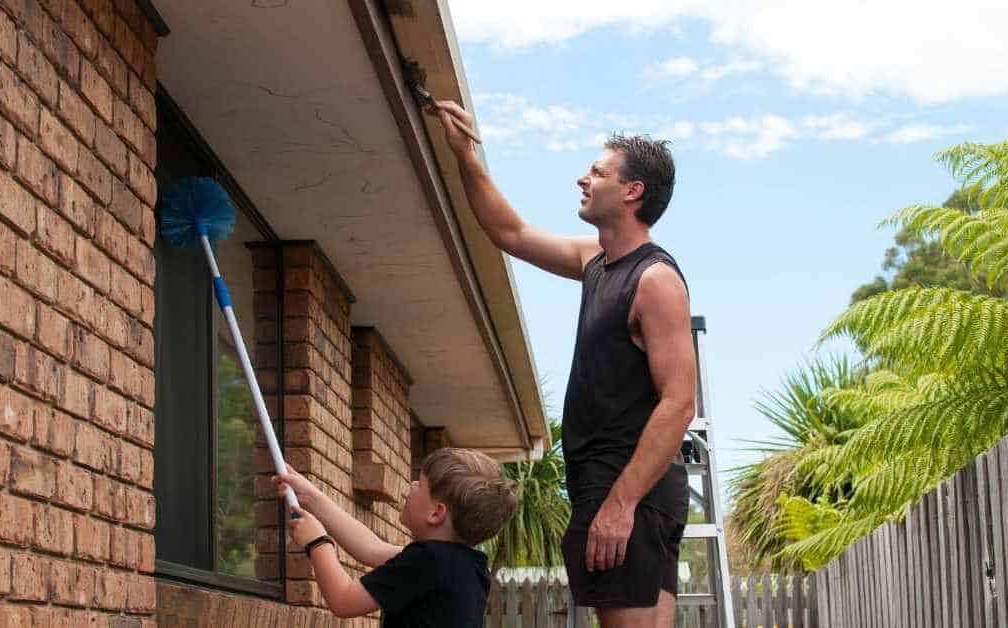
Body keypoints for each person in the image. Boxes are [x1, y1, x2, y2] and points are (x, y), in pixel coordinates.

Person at [426, 101, 698, 627]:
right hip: (612, 484)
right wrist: (464, 154)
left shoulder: (655, 280)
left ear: (632, 191)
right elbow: (510, 233)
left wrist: (620, 505)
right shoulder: (595, 263)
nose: (583, 178)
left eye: (598, 172)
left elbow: (679, 402)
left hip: (629, 486)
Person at [276, 447, 518, 627]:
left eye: (420, 485)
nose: (411, 485)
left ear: (436, 513)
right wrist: (312, 496)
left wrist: (317, 542)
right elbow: (371, 548)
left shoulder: (429, 561)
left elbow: (343, 600)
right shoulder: (465, 566)